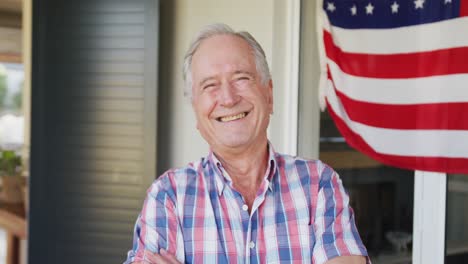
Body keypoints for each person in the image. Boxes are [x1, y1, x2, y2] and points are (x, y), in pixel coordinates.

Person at [124, 23, 369, 264]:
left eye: (241, 78)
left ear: (269, 95)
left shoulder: (318, 184)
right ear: (196, 110)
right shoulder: (169, 196)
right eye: (210, 85)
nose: (228, 99)